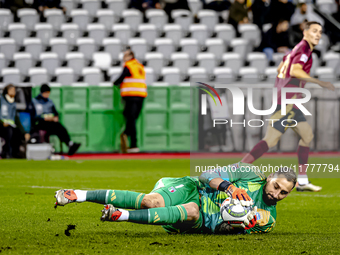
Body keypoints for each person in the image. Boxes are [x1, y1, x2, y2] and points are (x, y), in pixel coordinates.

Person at [55, 162, 297, 234]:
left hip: (199, 219)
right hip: (193, 188)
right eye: (275, 186)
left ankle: (119, 215)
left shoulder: (267, 220)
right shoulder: (248, 173)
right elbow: (206, 175)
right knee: (151, 202)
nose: (275, 194)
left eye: (283, 192)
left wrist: (234, 224)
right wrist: (229, 189)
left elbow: (221, 230)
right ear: (268, 178)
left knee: (192, 211)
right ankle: (77, 194)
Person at [241, 21, 335, 192]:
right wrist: (319, 82)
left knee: (307, 135)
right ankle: (237, 169)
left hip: (289, 101)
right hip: (288, 102)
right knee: (270, 140)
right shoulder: (305, 49)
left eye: (320, 32)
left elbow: (280, 68)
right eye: (314, 31)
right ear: (305, 32)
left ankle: (303, 181)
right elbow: (295, 71)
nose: (318, 35)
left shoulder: (294, 50)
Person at [28, 84, 81, 156]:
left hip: (51, 123)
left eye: (48, 93)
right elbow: (33, 116)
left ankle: (69, 144)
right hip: (40, 123)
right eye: (46, 93)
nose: (47, 95)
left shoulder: (50, 102)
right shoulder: (35, 101)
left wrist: (55, 117)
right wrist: (44, 118)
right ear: (42, 92)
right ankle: (69, 144)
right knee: (56, 126)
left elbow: (56, 113)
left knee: (60, 127)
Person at [112, 50, 147, 153]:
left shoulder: (129, 65)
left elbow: (122, 77)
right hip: (141, 95)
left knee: (130, 119)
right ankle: (130, 140)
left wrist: (115, 83)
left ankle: (130, 140)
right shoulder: (140, 66)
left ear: (131, 56)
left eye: (125, 55)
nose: (123, 57)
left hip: (130, 95)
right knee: (132, 119)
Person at [0, 84, 30, 158]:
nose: (13, 92)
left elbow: (16, 119)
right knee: (8, 132)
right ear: (7, 91)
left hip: (11, 125)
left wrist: (24, 132)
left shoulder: (13, 103)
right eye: (11, 90)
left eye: (14, 90)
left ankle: (16, 154)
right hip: (2, 125)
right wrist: (2, 122)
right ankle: (6, 153)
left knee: (18, 132)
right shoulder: (1, 100)